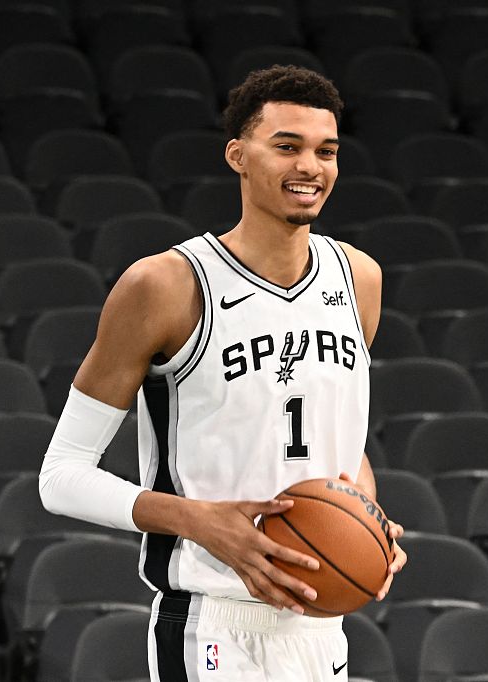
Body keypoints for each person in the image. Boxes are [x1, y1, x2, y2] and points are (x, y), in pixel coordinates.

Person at [39, 65, 407, 681]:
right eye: (286, 146)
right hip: (211, 622)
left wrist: (365, 518)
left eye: (326, 151)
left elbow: (341, 448)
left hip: (324, 628)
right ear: (238, 154)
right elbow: (61, 476)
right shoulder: (164, 285)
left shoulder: (359, 280)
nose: (310, 167)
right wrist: (198, 521)